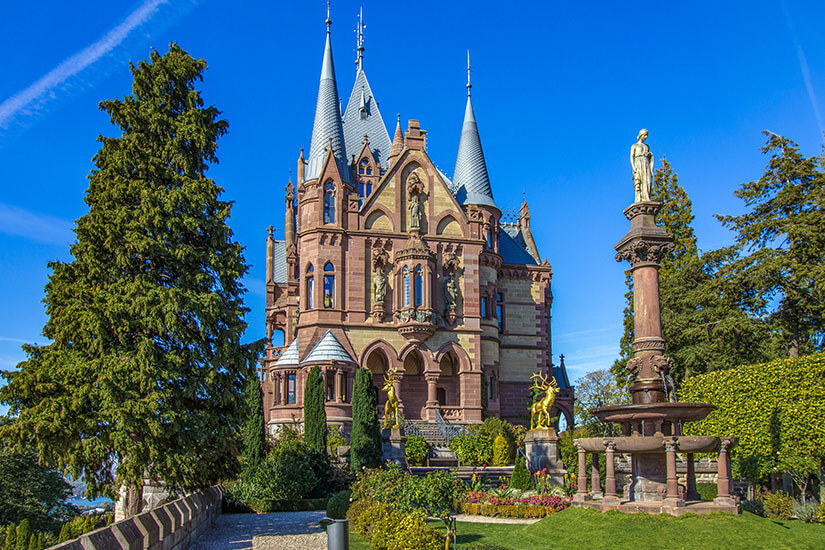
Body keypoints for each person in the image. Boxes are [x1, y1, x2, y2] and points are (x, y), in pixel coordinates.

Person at [630, 128, 654, 202]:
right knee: (639, 181)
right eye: (644, 135)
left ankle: (646, 197)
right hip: (639, 163)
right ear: (641, 135)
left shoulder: (647, 146)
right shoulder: (634, 146)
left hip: (646, 164)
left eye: (646, 135)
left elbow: (650, 158)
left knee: (647, 181)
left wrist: (649, 155)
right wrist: (634, 167)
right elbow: (631, 157)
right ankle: (639, 198)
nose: (645, 137)